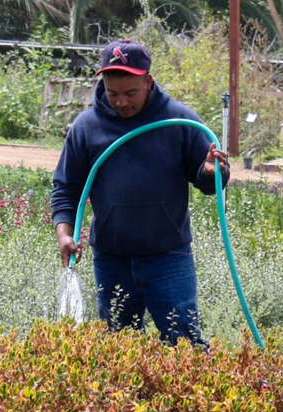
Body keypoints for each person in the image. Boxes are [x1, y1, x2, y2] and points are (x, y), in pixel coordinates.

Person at [51, 39, 230, 347]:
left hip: (168, 257)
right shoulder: (86, 127)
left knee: (183, 344)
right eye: (113, 92)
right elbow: (66, 188)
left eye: (130, 93)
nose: (121, 102)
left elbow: (208, 178)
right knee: (119, 349)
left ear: (148, 81)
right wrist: (65, 233)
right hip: (111, 259)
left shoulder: (179, 121)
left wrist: (214, 172)